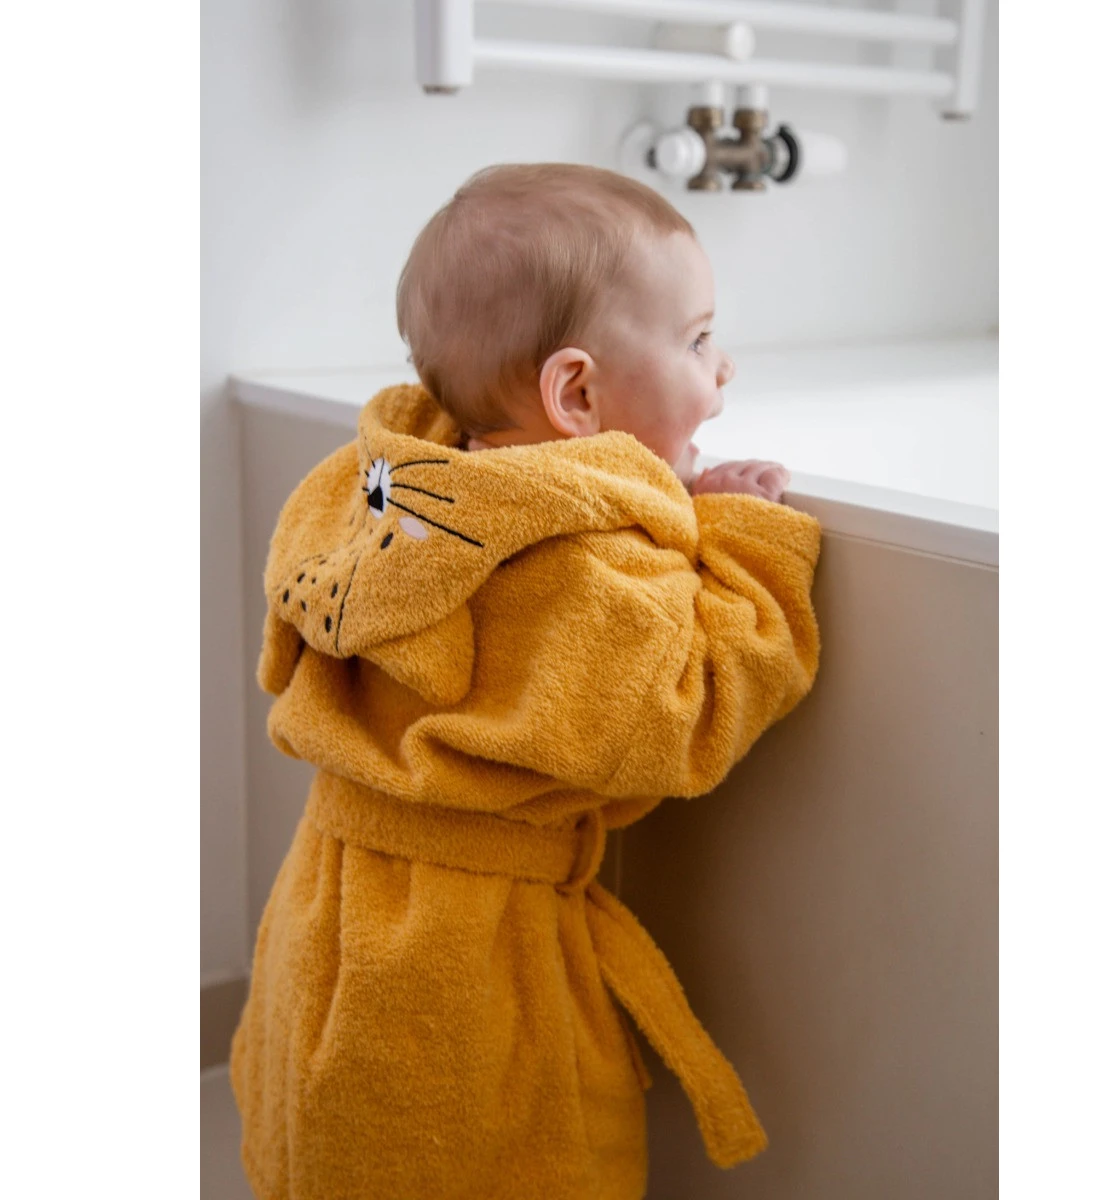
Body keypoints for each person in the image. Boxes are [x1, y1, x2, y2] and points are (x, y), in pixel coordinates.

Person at [230, 162, 821, 1200]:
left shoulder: (391, 494)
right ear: (576, 394)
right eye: (696, 341)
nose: (723, 366)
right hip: (468, 958)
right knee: (490, 1162)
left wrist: (669, 485)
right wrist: (745, 540)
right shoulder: (573, 559)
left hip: (330, 900)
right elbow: (687, 713)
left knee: (339, 1137)